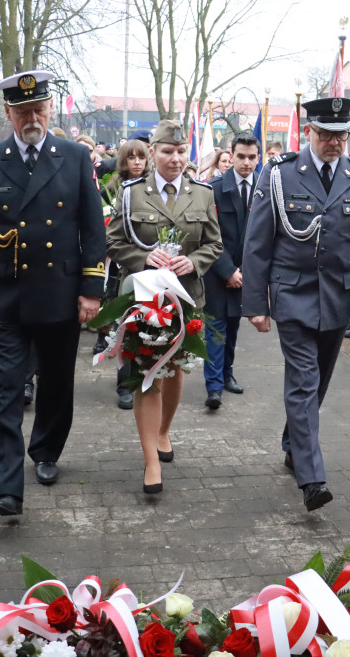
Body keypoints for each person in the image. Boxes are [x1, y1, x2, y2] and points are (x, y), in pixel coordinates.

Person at [0, 69, 105, 518]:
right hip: (6, 295)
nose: (32, 118)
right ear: (8, 112)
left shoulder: (76, 157)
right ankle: (7, 487)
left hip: (59, 293)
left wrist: (91, 289)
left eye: (39, 109)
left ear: (50, 110)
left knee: (57, 383)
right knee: (4, 389)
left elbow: (92, 227)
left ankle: (45, 451)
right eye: (22, 111)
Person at [242, 97, 350, 511]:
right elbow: (257, 243)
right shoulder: (280, 173)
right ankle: (312, 478)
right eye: (325, 134)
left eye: (340, 135)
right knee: (304, 381)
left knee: (319, 382)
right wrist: (256, 303)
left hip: (338, 299)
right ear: (309, 131)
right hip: (291, 293)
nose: (333, 142)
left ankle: (294, 442)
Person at [106, 119, 222, 493]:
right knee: (146, 372)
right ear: (152, 152)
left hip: (186, 298)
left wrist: (196, 261)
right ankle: (150, 461)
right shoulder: (130, 193)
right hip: (144, 298)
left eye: (181, 151)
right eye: (167, 151)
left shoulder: (202, 193)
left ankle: (164, 431)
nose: (175, 158)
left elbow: (214, 244)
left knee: (175, 371)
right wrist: (143, 257)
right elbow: (114, 241)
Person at [203, 131, 259, 409]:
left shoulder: (264, 189)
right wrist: (227, 271)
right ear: (231, 155)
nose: (246, 163)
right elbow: (207, 236)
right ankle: (213, 386)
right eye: (241, 156)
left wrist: (245, 272)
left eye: (252, 157)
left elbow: (264, 236)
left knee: (233, 328)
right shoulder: (212, 189)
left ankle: (227, 375)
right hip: (216, 272)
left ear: (258, 158)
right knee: (215, 328)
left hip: (246, 274)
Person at [96, 139, 150, 410]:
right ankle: (124, 384)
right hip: (124, 267)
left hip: (154, 268)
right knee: (125, 325)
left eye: (142, 157)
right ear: (124, 161)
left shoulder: (154, 187)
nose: (137, 162)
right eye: (132, 158)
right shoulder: (115, 188)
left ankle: (148, 377)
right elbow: (111, 232)